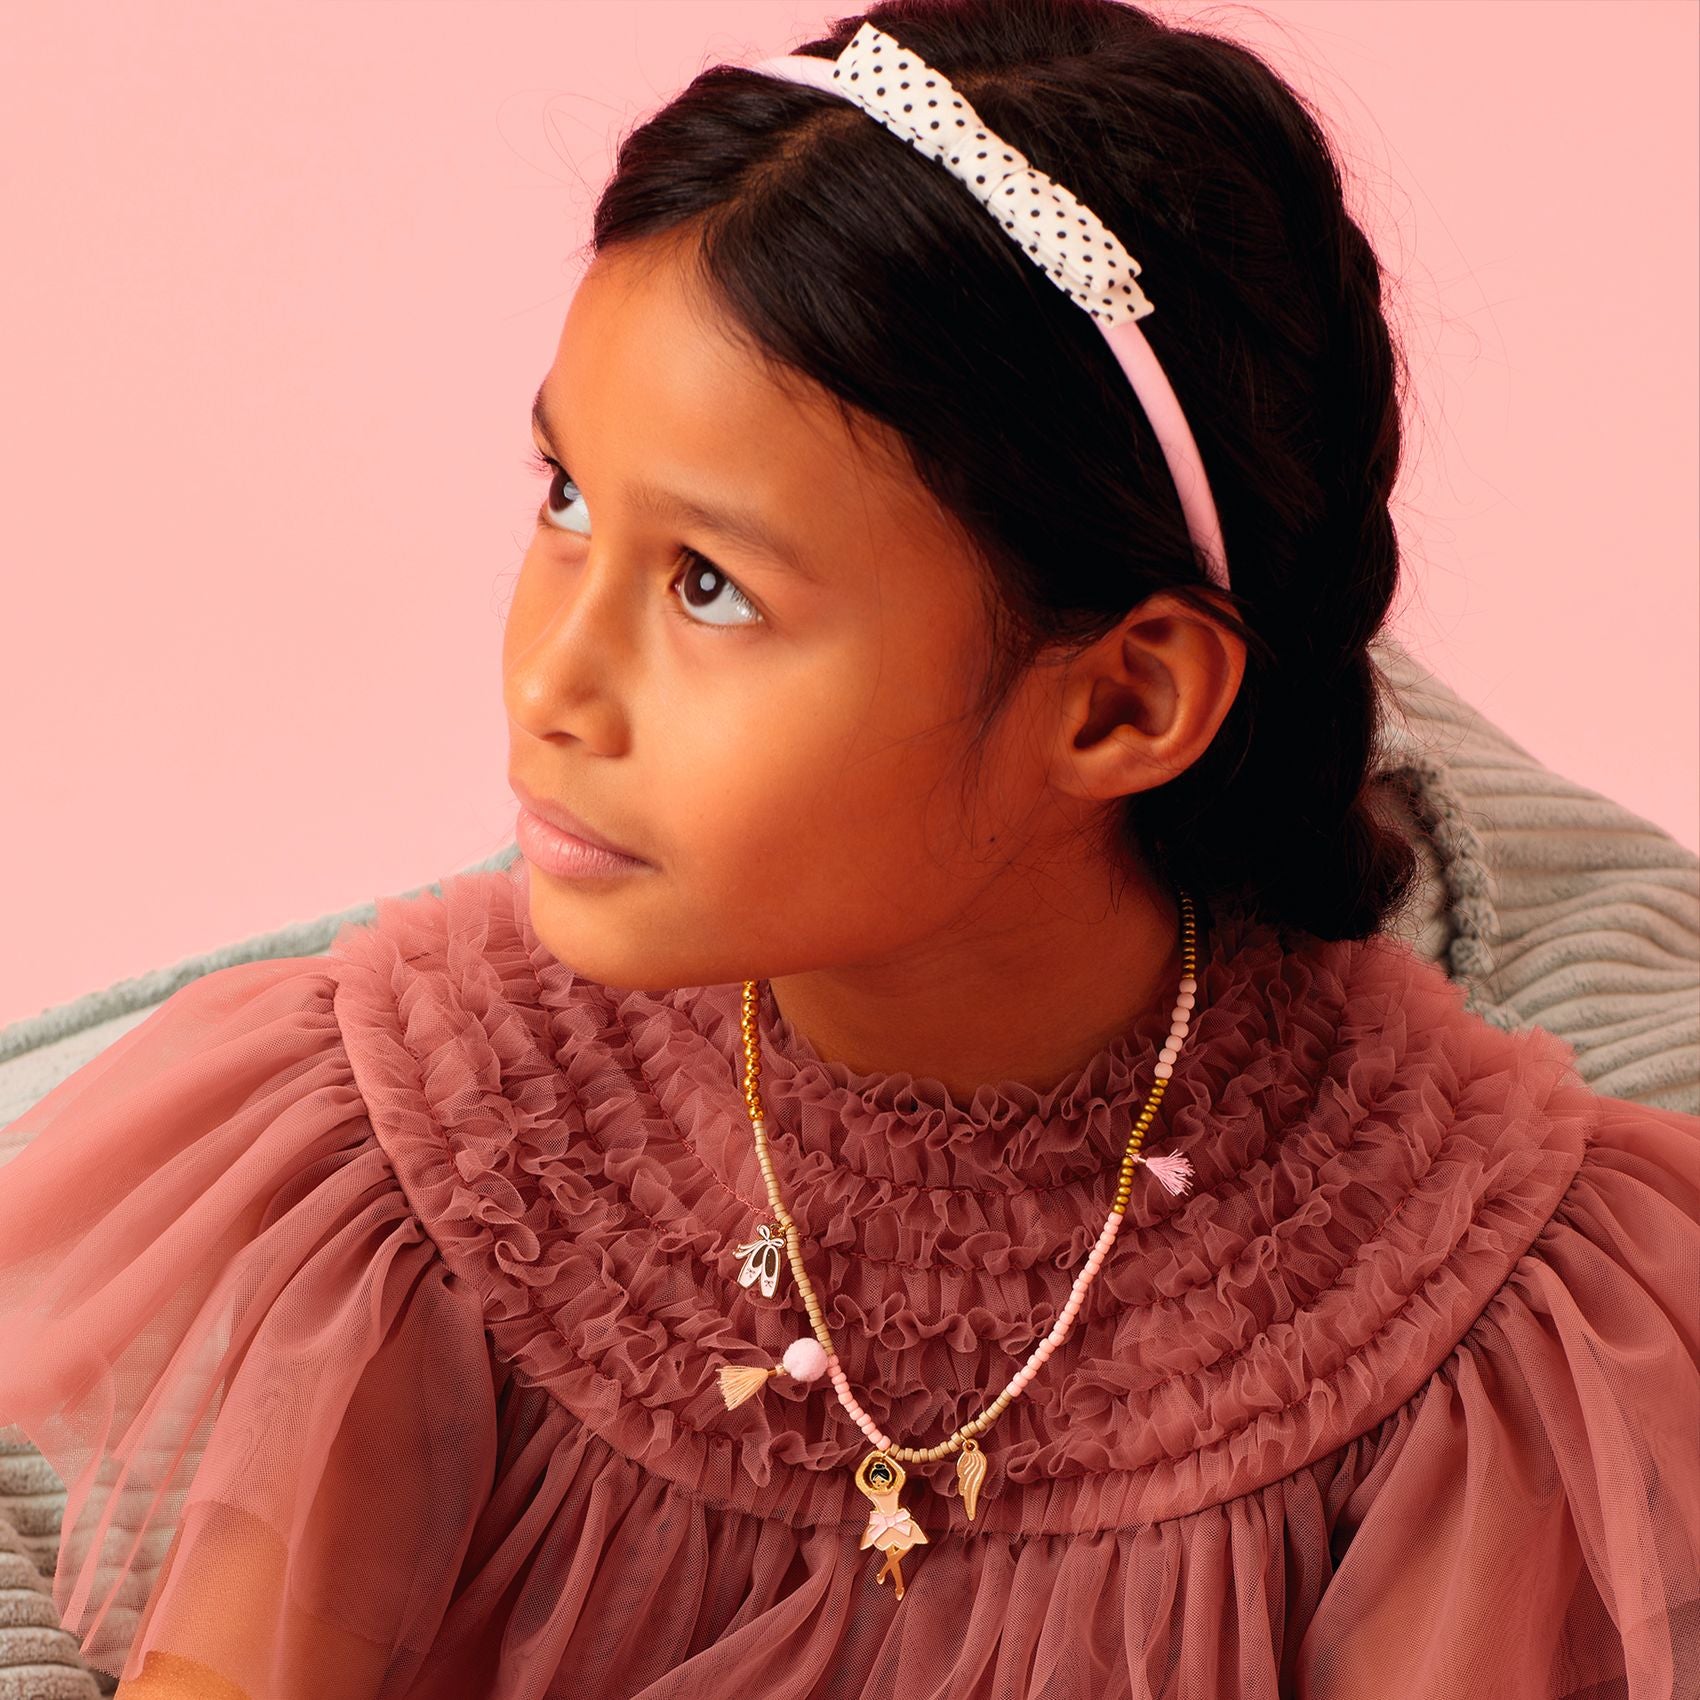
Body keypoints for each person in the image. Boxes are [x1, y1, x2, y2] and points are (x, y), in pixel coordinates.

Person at [1, 2, 1695, 1697]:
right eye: (566, 499)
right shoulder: (439, 1158)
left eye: (711, 588)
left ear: (1120, 702)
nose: (549, 680)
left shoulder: (1461, 1317)